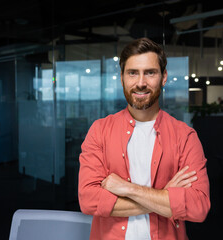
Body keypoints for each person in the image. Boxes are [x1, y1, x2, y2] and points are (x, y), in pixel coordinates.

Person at [78, 38, 210, 240]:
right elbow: (88, 200)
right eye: (132, 73)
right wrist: (164, 196)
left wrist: (127, 189)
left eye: (150, 72)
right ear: (122, 77)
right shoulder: (100, 131)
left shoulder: (185, 136)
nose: (141, 83)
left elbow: (198, 207)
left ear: (163, 77)